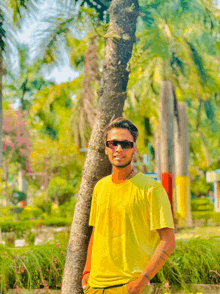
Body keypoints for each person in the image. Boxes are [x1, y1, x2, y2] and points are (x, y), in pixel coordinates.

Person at [81, 117, 175, 294]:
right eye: (113, 143)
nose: (119, 149)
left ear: (134, 149)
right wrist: (87, 272)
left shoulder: (151, 189)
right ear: (106, 147)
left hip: (129, 287)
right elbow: (97, 231)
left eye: (125, 144)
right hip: (94, 288)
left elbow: (168, 241)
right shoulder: (100, 187)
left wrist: (140, 284)